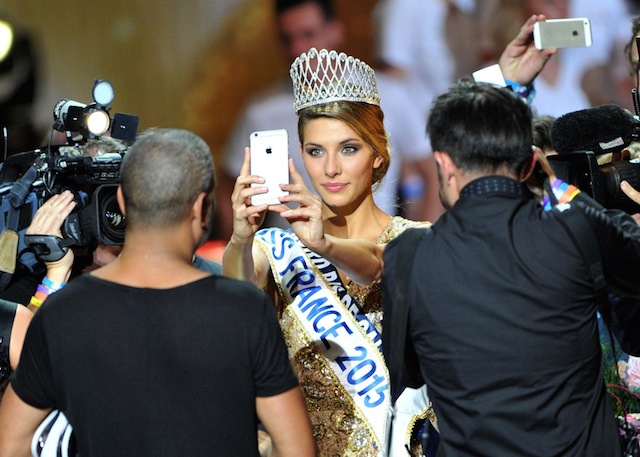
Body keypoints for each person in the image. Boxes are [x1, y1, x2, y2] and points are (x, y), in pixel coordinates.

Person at [0, 128, 315, 457]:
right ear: (203, 208)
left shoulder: (62, 311)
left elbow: (10, 444)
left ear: (122, 201)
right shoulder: (244, 308)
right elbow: (296, 449)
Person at [380, 79, 640, 456]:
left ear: (444, 163)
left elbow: (408, 372)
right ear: (531, 163)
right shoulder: (573, 228)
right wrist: (559, 189)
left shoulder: (408, 256)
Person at [223, 46, 433, 456]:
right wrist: (240, 239)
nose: (330, 168)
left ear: (378, 154)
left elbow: (378, 263)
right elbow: (237, 300)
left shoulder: (418, 240)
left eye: (349, 148)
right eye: (315, 151)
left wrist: (323, 245)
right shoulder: (277, 247)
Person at [219, 0, 443, 241]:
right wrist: (240, 247)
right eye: (287, 39)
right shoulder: (262, 112)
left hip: (376, 248)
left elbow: (433, 171)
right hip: (294, 255)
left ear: (335, 32)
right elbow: (228, 187)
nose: (298, 48)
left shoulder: (386, 95)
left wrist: (424, 245)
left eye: (308, 34)